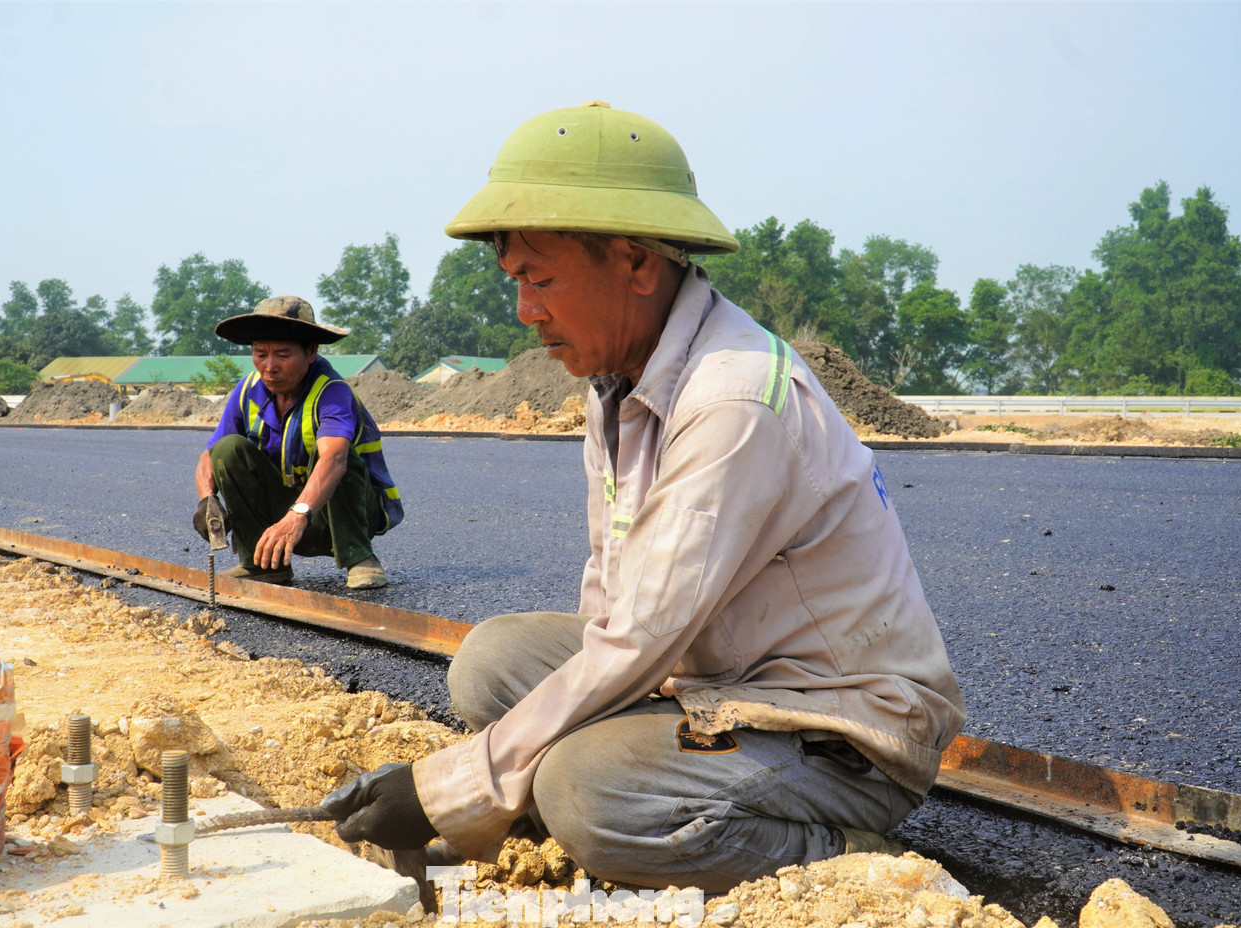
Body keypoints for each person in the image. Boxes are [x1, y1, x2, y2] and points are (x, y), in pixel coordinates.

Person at [321, 103, 965, 893]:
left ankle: (849, 862)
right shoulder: (620, 381)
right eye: (516, 283)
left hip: (831, 726)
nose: (526, 312)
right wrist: (499, 766)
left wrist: (441, 792)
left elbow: (640, 638)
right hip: (707, 681)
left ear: (637, 263)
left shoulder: (732, 399)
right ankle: (586, 806)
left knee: (585, 791)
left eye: (541, 279)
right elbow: (614, 596)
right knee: (491, 663)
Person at [193, 295, 401, 589]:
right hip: (280, 523)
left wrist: (298, 515)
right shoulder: (247, 390)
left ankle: (360, 557)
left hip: (332, 517)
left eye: (282, 354)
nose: (269, 366)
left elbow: (335, 459)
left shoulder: (332, 392)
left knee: (335, 456)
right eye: (260, 353)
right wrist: (207, 500)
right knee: (228, 450)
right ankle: (261, 564)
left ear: (311, 352)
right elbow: (210, 454)